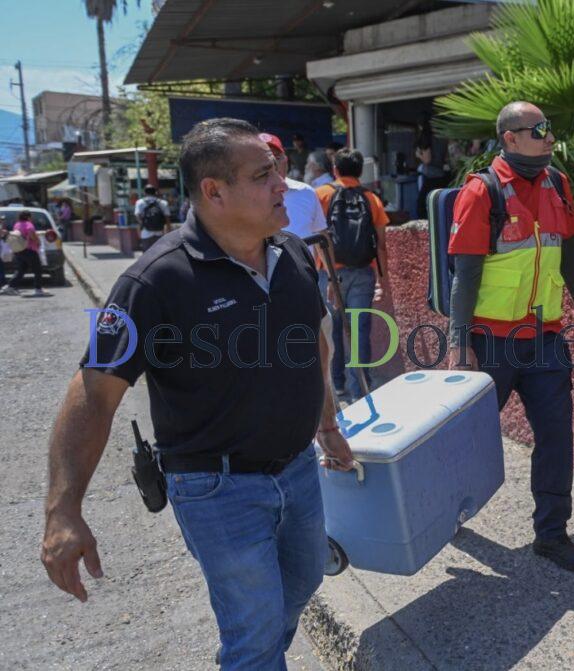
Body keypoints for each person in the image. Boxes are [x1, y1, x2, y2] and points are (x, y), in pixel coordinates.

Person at [40, 118, 355, 670]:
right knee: (255, 634)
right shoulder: (154, 282)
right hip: (217, 488)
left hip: (299, 470)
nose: (283, 184)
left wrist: (328, 425)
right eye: (264, 175)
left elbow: (316, 349)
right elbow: (92, 395)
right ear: (214, 191)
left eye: (279, 169)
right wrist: (62, 509)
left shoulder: (292, 253)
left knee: (300, 586)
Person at [446, 101, 574, 572]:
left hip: (545, 337)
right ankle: (439, 514)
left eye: (550, 129)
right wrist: (459, 340)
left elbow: (568, 251)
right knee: (466, 438)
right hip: (491, 341)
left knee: (556, 437)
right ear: (510, 138)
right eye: (539, 130)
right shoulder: (482, 192)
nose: (550, 137)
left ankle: (552, 534)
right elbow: (465, 274)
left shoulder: (558, 184)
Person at [315, 149, 390, 402]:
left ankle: (337, 386)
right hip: (363, 272)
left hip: (330, 274)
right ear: (360, 171)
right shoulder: (372, 198)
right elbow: (380, 244)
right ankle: (360, 387)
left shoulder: (321, 195)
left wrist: (324, 271)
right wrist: (382, 279)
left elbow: (317, 238)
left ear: (335, 169)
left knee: (333, 330)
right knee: (360, 330)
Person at [0, 210, 50, 297]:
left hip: (19, 250)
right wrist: (37, 241)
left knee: (21, 269)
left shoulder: (17, 224)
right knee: (37, 269)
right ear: (28, 217)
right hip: (29, 250)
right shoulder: (29, 224)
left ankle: (9, 286)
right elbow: (31, 233)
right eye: (30, 217)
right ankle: (38, 289)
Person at [134, 185, 171, 252]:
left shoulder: (140, 202)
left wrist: (141, 228)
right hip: (159, 232)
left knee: (146, 255)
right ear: (155, 192)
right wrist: (168, 232)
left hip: (145, 233)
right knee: (159, 254)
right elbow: (167, 219)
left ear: (145, 193)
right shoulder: (163, 203)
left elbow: (138, 218)